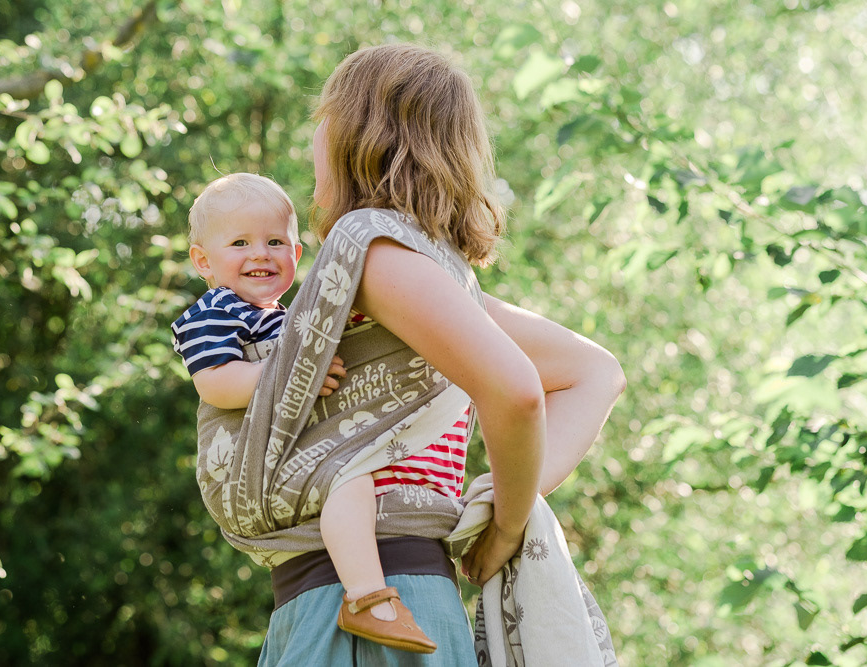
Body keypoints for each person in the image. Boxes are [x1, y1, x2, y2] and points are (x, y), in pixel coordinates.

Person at [253, 43, 627, 665]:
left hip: (362, 607)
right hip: (404, 600)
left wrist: (506, 522)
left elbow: (518, 390)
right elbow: (594, 373)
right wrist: (505, 501)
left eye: (323, 120)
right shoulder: (441, 283)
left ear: (355, 136)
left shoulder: (372, 254)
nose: (313, 139)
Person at [171, 172, 437, 653]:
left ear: (296, 254)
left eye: (275, 242)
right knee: (347, 476)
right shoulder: (216, 309)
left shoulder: (289, 319)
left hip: (291, 446)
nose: (260, 254)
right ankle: (367, 598)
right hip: (243, 459)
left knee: (350, 474)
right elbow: (217, 383)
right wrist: (299, 373)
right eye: (240, 243)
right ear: (203, 261)